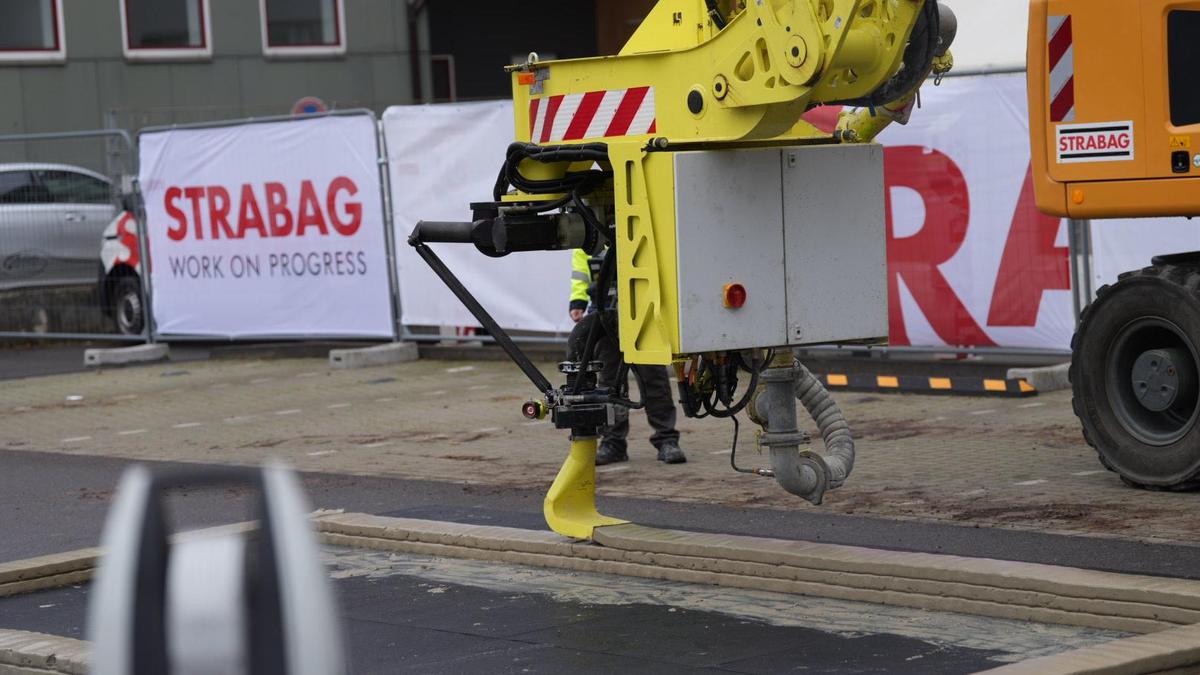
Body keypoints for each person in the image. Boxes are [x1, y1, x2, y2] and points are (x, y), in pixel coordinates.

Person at [569, 248, 686, 465]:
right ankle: (613, 442)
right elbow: (581, 274)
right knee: (610, 385)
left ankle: (666, 439)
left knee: (653, 379)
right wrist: (577, 302)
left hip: (642, 315)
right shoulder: (587, 238)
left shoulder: (638, 224)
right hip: (605, 317)